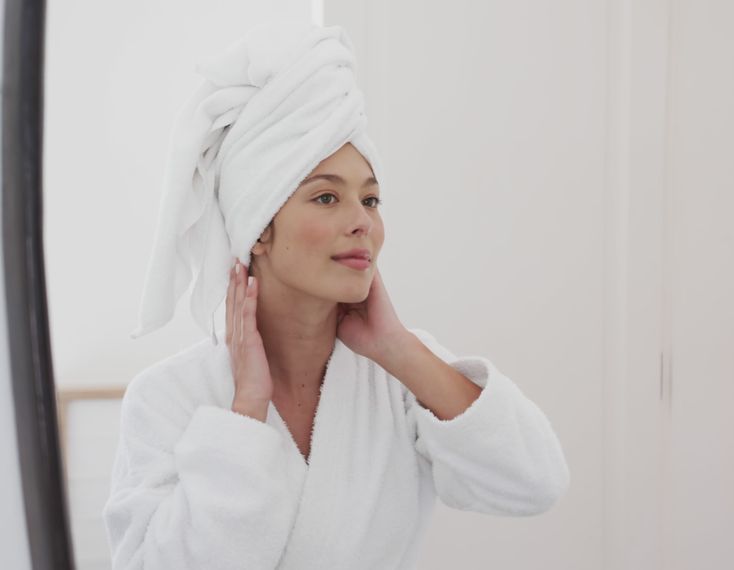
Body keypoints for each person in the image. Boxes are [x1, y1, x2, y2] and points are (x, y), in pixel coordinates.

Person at [103, 20, 569, 570]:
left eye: (370, 201)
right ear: (258, 230)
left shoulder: (397, 376)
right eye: (326, 198)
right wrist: (246, 412)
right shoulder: (169, 398)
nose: (361, 223)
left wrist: (398, 349)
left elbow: (535, 484)